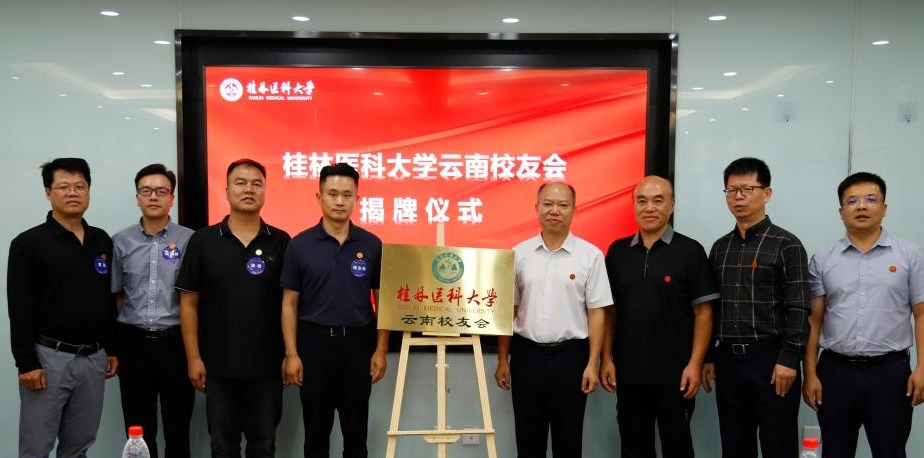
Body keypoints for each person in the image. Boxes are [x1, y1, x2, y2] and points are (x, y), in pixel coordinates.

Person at [802, 172, 924, 457]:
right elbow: (813, 321)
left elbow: (921, 314)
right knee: (835, 451)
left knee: (890, 450)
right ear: (840, 211)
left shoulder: (910, 255)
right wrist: (810, 373)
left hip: (890, 374)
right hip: (835, 373)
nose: (861, 206)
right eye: (852, 201)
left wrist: (922, 368)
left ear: (884, 207)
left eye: (871, 199)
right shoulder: (823, 259)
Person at [176, 159, 290, 457]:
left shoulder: (281, 241)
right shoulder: (203, 240)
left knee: (263, 447)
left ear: (265, 191)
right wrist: (193, 358)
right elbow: (188, 304)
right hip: (218, 367)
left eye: (256, 183)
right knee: (223, 448)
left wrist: (290, 354)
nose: (248, 189)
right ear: (226, 191)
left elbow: (289, 304)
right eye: (240, 183)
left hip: (267, 368)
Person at [7, 157, 118, 457]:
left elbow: (107, 299)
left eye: (80, 186)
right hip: (48, 359)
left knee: (78, 447)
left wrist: (111, 348)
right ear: (48, 192)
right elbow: (19, 306)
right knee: (36, 448)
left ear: (89, 191)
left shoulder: (101, 240)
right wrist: (26, 362)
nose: (73, 193)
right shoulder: (28, 243)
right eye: (64, 187)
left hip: (93, 359)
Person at [600, 176, 717, 458]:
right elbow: (608, 313)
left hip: (676, 375)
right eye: (642, 201)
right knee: (633, 448)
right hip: (628, 373)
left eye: (658, 200)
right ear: (634, 205)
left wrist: (695, 363)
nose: (649, 207)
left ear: (672, 205)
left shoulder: (690, 251)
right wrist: (606, 358)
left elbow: (704, 313)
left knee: (677, 448)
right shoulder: (617, 252)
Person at [494, 181, 612, 458]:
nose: (554, 210)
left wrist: (592, 363)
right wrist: (502, 359)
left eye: (562, 205)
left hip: (571, 359)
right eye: (547, 204)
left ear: (574, 210)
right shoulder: (518, 254)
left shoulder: (591, 256)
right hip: (527, 357)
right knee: (528, 440)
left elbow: (597, 312)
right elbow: (508, 310)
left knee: (568, 441)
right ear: (536, 208)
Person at [703, 157, 810, 458]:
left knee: (778, 445)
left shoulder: (786, 244)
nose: (738, 197)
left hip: (772, 360)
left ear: (767, 193)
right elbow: (713, 309)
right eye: (731, 190)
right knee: (735, 446)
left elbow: (800, 307)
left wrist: (789, 360)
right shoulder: (720, 247)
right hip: (728, 361)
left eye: (747, 189)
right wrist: (709, 356)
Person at [280, 162, 388, 458]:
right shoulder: (299, 245)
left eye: (347, 195)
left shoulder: (372, 244)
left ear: (357, 199)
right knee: (316, 436)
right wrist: (291, 353)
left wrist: (380, 350)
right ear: (319, 197)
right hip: (314, 347)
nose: (340, 201)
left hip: (357, 347)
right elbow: (289, 303)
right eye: (333, 194)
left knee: (356, 435)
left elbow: (383, 301)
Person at [110, 164, 195, 458]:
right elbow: (117, 296)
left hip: (176, 344)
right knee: (138, 431)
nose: (153, 197)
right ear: (137, 198)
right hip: (133, 344)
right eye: (146, 191)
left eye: (161, 191)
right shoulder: (120, 241)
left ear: (172, 198)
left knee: (178, 429)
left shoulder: (190, 240)